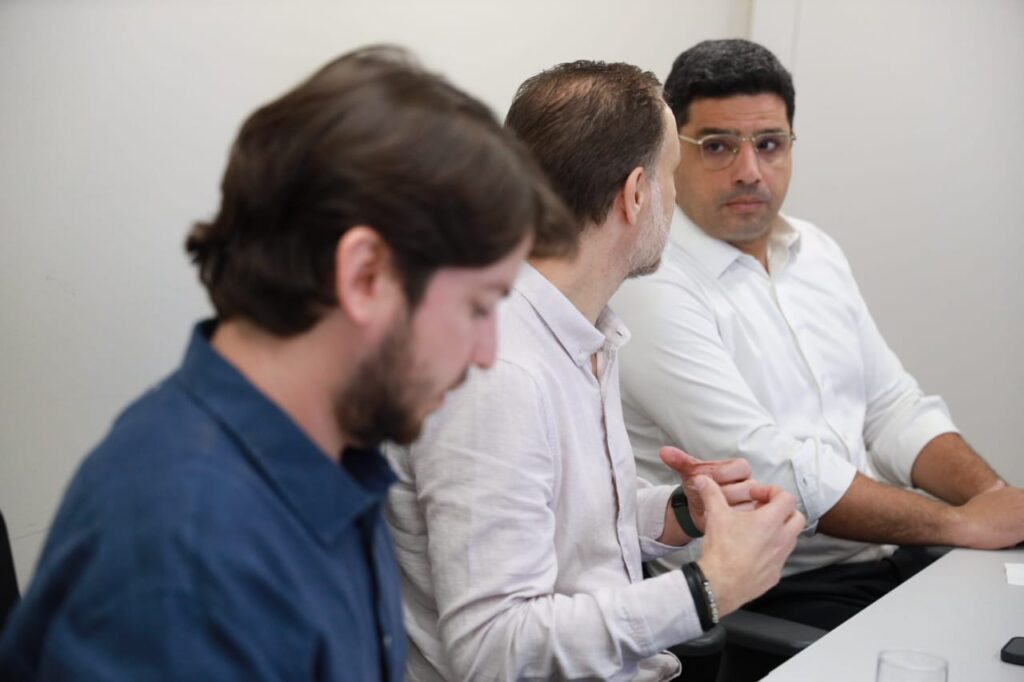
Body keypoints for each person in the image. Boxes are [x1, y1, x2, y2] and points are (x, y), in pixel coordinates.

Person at [0, 46, 569, 680]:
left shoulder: (335, 459)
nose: (487, 353)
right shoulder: (190, 556)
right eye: (477, 306)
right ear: (366, 275)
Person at [385, 60, 804, 682]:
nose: (673, 199)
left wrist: (678, 513)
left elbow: (553, 523)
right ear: (635, 194)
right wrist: (707, 588)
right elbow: (495, 647)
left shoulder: (577, 329)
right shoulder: (496, 372)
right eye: (670, 175)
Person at [612, 38, 1024, 634]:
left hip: (883, 559)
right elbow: (769, 471)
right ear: (675, 152)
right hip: (771, 592)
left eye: (769, 145)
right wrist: (960, 523)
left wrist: (995, 500)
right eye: (719, 146)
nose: (750, 171)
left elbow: (892, 410)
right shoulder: (651, 280)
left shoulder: (815, 252)